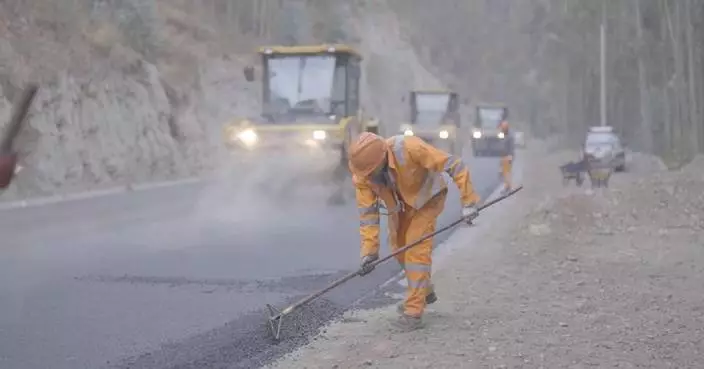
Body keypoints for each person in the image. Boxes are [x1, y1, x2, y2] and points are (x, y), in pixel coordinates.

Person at [347, 132, 481, 331]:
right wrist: (369, 252)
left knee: (415, 248)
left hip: (428, 199)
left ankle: (413, 312)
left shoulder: (409, 147)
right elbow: (368, 216)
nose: (369, 178)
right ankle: (424, 292)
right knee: (399, 250)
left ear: (383, 159)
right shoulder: (363, 177)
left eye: (372, 172)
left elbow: (455, 164)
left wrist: (469, 201)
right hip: (401, 205)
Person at [498, 120, 514, 194]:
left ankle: (508, 188)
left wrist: (510, 156)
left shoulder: (509, 136)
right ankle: (507, 187)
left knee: (507, 173)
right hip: (503, 156)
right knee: (504, 173)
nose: (502, 129)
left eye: (503, 127)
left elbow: (511, 147)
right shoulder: (503, 135)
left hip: (507, 157)